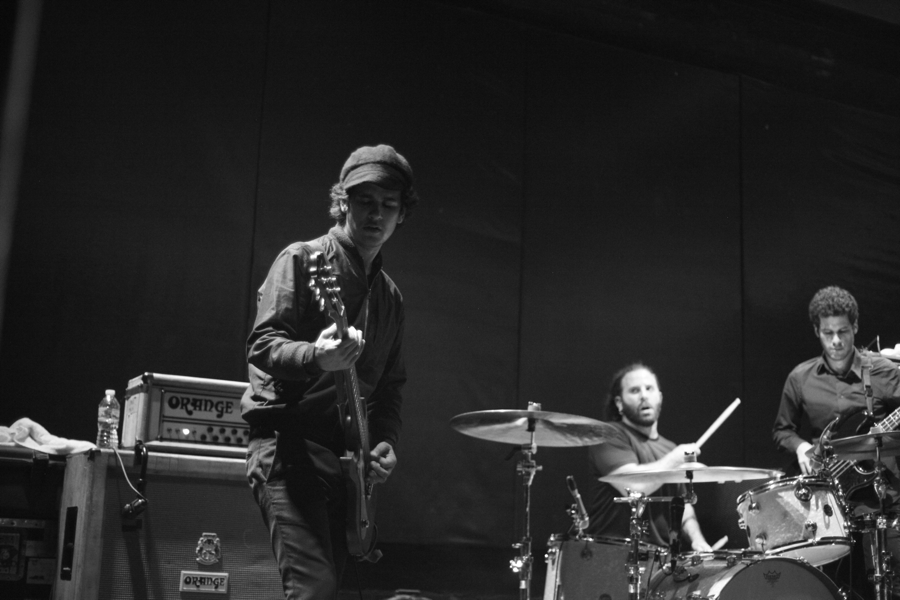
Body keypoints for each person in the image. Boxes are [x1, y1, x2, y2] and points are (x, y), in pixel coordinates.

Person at [240, 144, 418, 599]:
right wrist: (315, 356)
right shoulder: (302, 259)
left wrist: (384, 442)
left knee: (328, 590)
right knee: (314, 589)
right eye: (365, 201)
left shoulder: (390, 298)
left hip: (345, 462)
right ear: (343, 202)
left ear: (402, 214)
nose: (376, 214)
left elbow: (390, 388)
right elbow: (262, 344)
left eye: (389, 205)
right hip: (288, 448)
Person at [772, 285, 900, 597]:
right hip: (827, 498)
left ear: (855, 327)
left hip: (880, 494)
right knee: (830, 586)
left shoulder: (882, 370)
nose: (836, 341)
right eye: (828, 333)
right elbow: (782, 431)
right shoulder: (800, 377)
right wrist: (801, 446)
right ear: (817, 331)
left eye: (843, 331)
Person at [586, 363, 711, 553]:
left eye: (649, 388)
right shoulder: (608, 435)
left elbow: (682, 507)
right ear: (619, 403)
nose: (644, 395)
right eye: (635, 390)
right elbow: (634, 487)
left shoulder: (669, 448)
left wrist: (697, 540)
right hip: (613, 554)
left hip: (661, 559)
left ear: (659, 397)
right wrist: (675, 460)